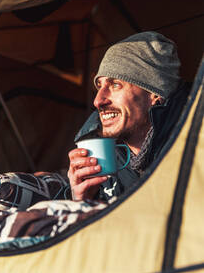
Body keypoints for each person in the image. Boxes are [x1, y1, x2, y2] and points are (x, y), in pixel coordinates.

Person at [64, 31, 189, 202]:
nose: (97, 100)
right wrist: (84, 200)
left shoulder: (192, 151)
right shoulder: (109, 159)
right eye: (99, 86)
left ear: (155, 95)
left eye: (115, 84)